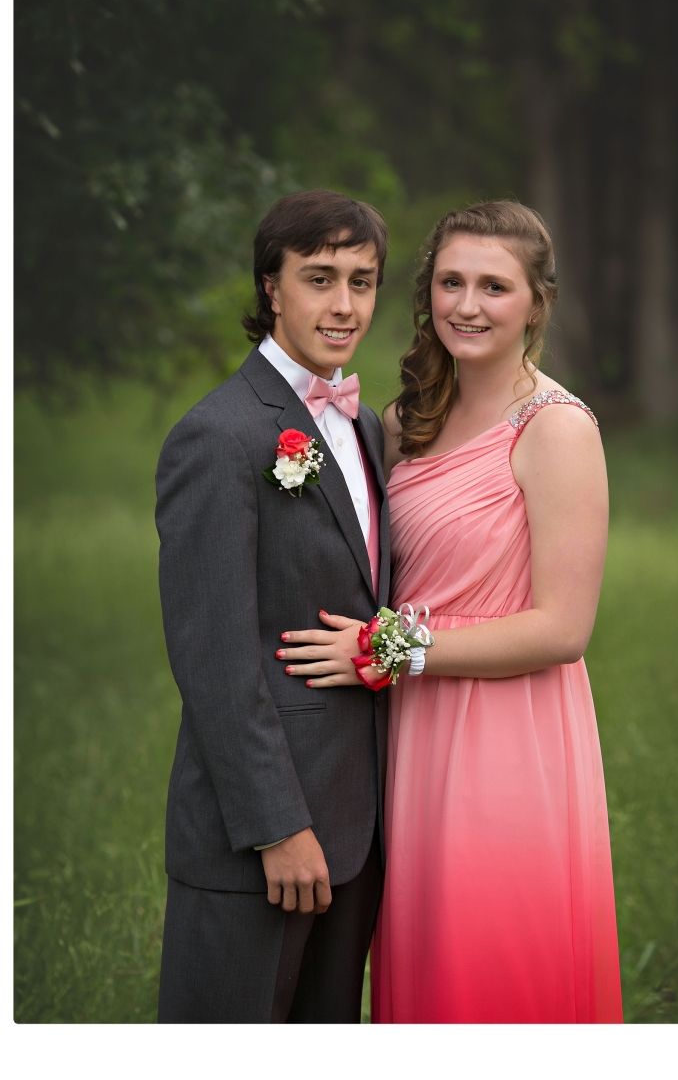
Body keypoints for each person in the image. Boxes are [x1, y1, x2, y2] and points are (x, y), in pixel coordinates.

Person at [282, 199, 624, 1022]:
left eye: (494, 287)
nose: (467, 305)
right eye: (450, 282)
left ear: (536, 303)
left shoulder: (558, 428)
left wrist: (394, 648)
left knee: (492, 961)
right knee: (424, 961)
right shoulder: (407, 423)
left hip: (509, 733)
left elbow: (564, 627)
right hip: (411, 732)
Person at [155, 189, 390, 1023]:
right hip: (262, 837)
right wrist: (276, 825)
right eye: (320, 277)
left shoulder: (361, 431)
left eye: (362, 282)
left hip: (356, 831)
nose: (343, 304)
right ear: (270, 287)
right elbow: (214, 655)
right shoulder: (219, 435)